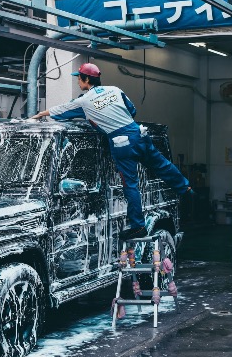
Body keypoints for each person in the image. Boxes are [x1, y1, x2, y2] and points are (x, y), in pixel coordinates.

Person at [30, 62, 191, 240]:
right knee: (161, 164)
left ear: (86, 79)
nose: (77, 82)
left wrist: (38, 115)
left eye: (79, 78)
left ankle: (138, 226)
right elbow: (132, 110)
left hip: (122, 142)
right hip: (138, 133)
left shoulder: (83, 101)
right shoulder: (115, 90)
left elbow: (59, 110)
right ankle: (185, 187)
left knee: (130, 184)